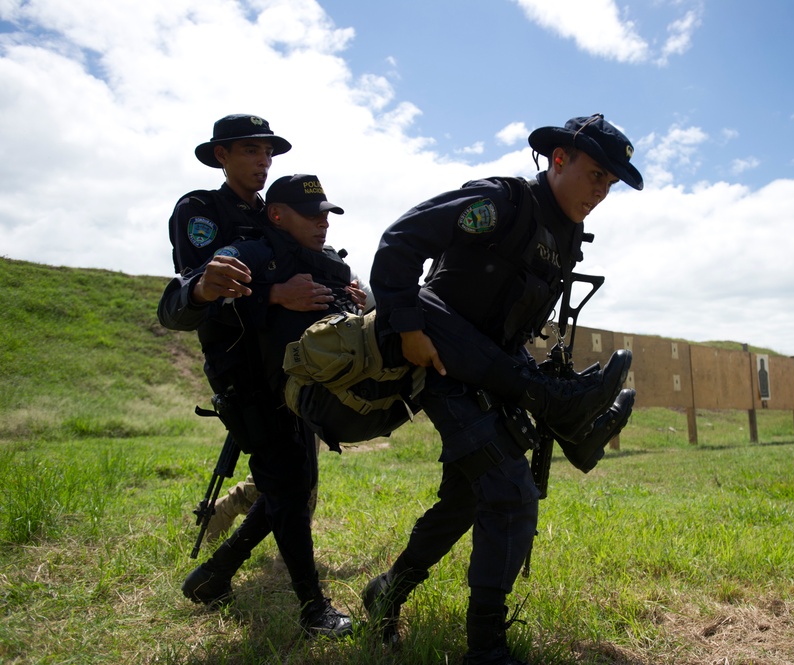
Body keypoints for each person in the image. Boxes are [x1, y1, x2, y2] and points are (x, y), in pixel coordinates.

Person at [361, 114, 644, 664]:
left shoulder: (564, 237)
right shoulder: (502, 203)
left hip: (491, 369)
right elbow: (400, 241)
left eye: (609, 184)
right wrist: (408, 324)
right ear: (559, 159)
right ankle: (485, 648)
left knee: (466, 497)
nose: (600, 192)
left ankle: (386, 591)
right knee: (509, 491)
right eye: (594, 175)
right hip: (441, 361)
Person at [160, 174, 367, 638]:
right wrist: (215, 290)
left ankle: (213, 576)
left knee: (291, 488)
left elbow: (337, 319)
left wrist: (352, 305)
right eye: (312, 215)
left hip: (298, 392)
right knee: (290, 491)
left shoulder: (327, 263)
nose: (323, 224)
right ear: (277, 215)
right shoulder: (243, 255)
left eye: (327, 215)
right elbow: (177, 306)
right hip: (251, 389)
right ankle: (314, 610)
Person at [168, 114, 333, 542]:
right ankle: (238, 558)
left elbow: (304, 261)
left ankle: (238, 514)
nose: (264, 161)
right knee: (289, 469)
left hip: (286, 351)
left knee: (300, 462)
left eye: (268, 152)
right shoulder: (201, 210)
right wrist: (273, 295)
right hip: (238, 355)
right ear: (221, 155)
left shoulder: (274, 212)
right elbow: (202, 292)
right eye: (250, 150)